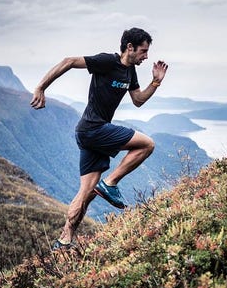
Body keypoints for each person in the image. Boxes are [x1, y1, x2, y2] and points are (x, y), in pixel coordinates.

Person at [30, 27, 168, 250]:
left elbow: (138, 100)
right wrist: (40, 88)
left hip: (92, 133)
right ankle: (110, 183)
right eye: (143, 51)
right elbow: (69, 61)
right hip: (93, 129)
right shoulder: (107, 61)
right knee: (147, 144)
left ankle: (64, 240)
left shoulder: (130, 71)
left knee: (86, 193)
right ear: (129, 47)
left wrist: (155, 82)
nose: (146, 56)